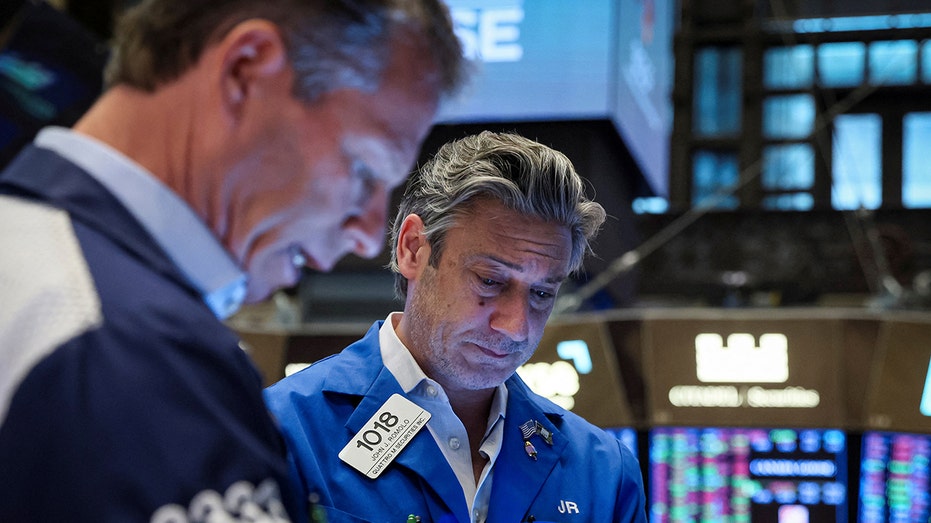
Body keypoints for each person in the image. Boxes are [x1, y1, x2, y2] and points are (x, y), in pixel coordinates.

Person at [0, 0, 466, 520]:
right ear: (246, 70)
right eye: (364, 169)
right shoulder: (126, 346)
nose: (364, 236)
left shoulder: (32, 252)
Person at [265, 131, 648, 522]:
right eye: (490, 281)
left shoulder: (604, 474)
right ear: (413, 248)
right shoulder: (281, 432)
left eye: (541, 294)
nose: (516, 326)